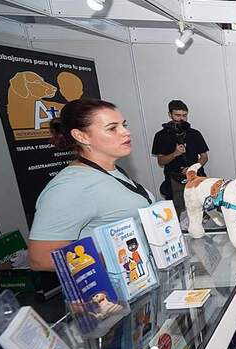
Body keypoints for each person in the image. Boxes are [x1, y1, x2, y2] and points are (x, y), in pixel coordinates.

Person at [28, 98, 154, 270]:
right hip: (114, 285)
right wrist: (115, 259)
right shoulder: (70, 185)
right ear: (81, 136)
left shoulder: (111, 171)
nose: (126, 132)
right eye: (112, 128)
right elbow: (40, 259)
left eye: (124, 125)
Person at [151, 100, 208, 213]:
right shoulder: (160, 136)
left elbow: (204, 157)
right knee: (176, 214)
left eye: (184, 115)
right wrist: (174, 154)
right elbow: (161, 161)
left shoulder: (195, 134)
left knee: (202, 211)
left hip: (196, 179)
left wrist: (192, 169)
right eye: (177, 115)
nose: (181, 118)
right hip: (173, 182)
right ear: (170, 115)